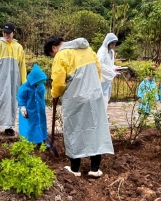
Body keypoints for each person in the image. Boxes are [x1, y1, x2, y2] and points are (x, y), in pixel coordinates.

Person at [44, 36, 114, 177]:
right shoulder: (88, 50)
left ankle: (75, 169)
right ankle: (95, 169)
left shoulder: (62, 54)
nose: (54, 57)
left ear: (54, 48)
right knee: (95, 129)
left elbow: (58, 82)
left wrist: (54, 93)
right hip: (94, 96)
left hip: (75, 98)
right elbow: (98, 71)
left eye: (52, 55)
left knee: (74, 130)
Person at [0, 22, 27, 137]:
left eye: (8, 33)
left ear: (13, 33)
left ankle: (9, 127)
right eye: (4, 32)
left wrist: (24, 83)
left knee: (12, 102)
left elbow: (22, 66)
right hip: (0, 80)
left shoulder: (18, 48)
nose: (6, 35)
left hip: (14, 81)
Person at [17, 64, 48, 145]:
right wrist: (23, 107)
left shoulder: (41, 86)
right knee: (29, 126)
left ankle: (41, 142)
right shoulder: (24, 88)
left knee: (41, 124)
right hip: (29, 111)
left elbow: (42, 96)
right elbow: (21, 98)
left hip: (40, 110)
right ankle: (28, 143)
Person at [97, 33, 121, 112]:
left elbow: (110, 64)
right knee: (102, 97)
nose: (114, 45)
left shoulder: (112, 52)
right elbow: (100, 64)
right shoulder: (102, 51)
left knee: (107, 97)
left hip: (109, 78)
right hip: (103, 78)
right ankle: (101, 115)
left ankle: (104, 113)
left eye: (115, 43)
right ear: (108, 42)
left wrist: (116, 68)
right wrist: (111, 71)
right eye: (112, 43)